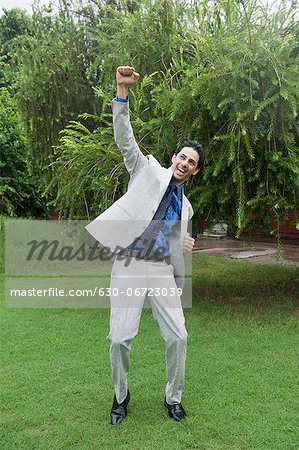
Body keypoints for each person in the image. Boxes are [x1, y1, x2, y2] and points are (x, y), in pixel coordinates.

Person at [85, 65, 205, 425]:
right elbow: (125, 138)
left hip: (162, 272)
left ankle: (173, 398)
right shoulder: (146, 169)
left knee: (179, 336)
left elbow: (171, 241)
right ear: (174, 158)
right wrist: (122, 94)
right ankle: (121, 397)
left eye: (192, 162)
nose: (185, 163)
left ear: (195, 172)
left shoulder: (186, 206)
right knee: (119, 338)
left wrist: (180, 243)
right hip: (129, 264)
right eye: (182, 157)